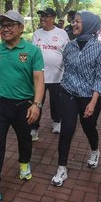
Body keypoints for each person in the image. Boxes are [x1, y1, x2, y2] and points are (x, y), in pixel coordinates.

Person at [0, 10, 45, 202]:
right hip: (0, 105)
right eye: (2, 26)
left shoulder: (32, 51)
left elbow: (39, 79)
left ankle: (24, 163)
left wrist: (37, 105)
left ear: (21, 28)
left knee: (24, 139)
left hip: (24, 106)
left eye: (9, 25)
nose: (4, 29)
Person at [50, 11, 101, 187]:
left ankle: (94, 150)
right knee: (67, 129)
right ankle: (62, 168)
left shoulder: (100, 49)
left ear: (90, 25)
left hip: (89, 97)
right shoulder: (69, 46)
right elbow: (64, 69)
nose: (74, 24)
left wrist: (92, 102)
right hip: (69, 94)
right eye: (73, 21)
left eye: (78, 21)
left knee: (89, 128)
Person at [30, 8, 69, 141]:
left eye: (45, 16)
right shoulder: (36, 34)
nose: (43, 19)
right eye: (41, 16)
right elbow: (33, 53)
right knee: (37, 101)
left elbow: (68, 52)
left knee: (56, 101)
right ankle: (34, 128)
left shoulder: (62, 33)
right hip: (39, 75)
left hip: (58, 75)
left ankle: (57, 122)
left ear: (53, 18)